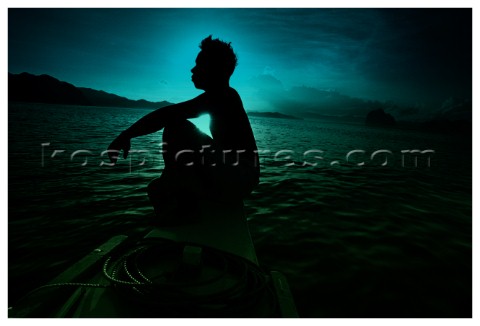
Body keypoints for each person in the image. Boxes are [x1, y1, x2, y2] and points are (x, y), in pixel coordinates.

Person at [107, 36, 260, 224]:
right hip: (237, 176)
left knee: (175, 126)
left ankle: (177, 197)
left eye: (200, 64)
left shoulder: (223, 96)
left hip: (239, 177)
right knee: (157, 187)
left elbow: (166, 114)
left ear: (217, 70)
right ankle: (178, 191)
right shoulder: (222, 97)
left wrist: (126, 135)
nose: (193, 69)